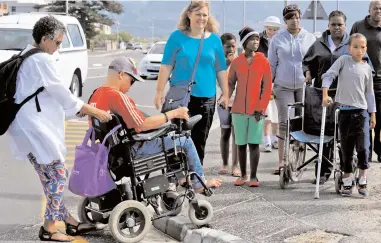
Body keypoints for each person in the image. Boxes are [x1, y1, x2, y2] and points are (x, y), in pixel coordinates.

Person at [6, 16, 112, 242]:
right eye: (58, 42)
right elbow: (62, 93)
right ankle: (49, 228)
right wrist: (94, 111)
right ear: (45, 40)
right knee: (58, 174)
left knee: (50, 178)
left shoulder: (28, 55)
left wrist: (80, 109)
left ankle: (70, 223)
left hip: (27, 128)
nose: (59, 47)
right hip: (35, 128)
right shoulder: (41, 60)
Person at [88, 56, 222, 193]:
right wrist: (173, 114)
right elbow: (142, 124)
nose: (130, 86)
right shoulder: (118, 97)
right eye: (132, 81)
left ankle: (179, 179)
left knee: (167, 137)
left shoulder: (95, 95)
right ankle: (199, 184)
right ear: (121, 75)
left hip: (111, 152)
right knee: (184, 140)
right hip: (132, 150)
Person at [154, 0, 229, 165]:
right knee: (176, 140)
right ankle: (174, 179)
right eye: (198, 14)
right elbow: (166, 66)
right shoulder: (176, 37)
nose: (201, 18)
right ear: (188, 15)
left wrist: (226, 94)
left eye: (205, 15)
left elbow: (221, 70)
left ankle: (195, 176)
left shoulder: (214, 40)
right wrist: (159, 92)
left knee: (199, 141)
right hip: (181, 99)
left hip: (206, 98)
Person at [322, 33, 375, 197]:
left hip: (361, 113)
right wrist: (325, 94)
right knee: (346, 148)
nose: (360, 50)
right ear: (349, 48)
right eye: (356, 47)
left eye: (363, 47)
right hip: (344, 112)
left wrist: (373, 114)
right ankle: (347, 178)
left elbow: (370, 93)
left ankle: (363, 178)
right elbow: (329, 75)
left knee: (363, 148)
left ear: (366, 48)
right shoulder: (343, 61)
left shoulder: (367, 68)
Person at [303, 10, 351, 184]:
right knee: (323, 133)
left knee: (341, 134)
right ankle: (322, 172)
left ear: (345, 26)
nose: (336, 27)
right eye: (333, 24)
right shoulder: (319, 43)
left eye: (340, 24)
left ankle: (345, 170)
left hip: (344, 93)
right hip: (321, 93)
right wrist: (308, 73)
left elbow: (363, 61)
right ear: (328, 26)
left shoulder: (351, 44)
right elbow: (307, 61)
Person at [268, 4, 316, 175]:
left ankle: (298, 152)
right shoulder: (277, 39)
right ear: (285, 20)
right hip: (283, 86)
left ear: (300, 18)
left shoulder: (309, 37)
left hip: (303, 86)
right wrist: (268, 87)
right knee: (284, 123)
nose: (294, 20)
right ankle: (281, 161)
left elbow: (313, 61)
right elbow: (271, 65)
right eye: (290, 18)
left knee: (301, 122)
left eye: (296, 17)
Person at [228, 27, 272, 187]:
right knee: (240, 143)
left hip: (257, 111)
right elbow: (230, 83)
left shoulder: (264, 62)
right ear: (245, 42)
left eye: (257, 39)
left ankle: (253, 176)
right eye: (252, 39)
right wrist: (225, 98)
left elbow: (267, 88)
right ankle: (243, 175)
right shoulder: (237, 62)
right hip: (238, 109)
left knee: (253, 143)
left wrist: (261, 107)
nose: (256, 42)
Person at [350, 1, 381, 163]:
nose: (379, 11)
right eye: (375, 8)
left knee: (379, 118)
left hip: (380, 81)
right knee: (364, 118)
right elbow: (348, 47)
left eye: (380, 8)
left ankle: (378, 147)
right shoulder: (358, 26)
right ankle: (365, 153)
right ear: (369, 10)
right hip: (361, 79)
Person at [257, 16, 282, 152]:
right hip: (262, 81)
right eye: (269, 29)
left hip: (278, 80)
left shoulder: (281, 40)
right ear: (265, 28)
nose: (272, 31)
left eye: (275, 29)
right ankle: (266, 140)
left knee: (276, 113)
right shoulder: (258, 40)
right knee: (266, 112)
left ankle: (275, 139)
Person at [217, 33, 239, 177]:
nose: (231, 49)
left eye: (233, 46)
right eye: (228, 46)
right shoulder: (218, 63)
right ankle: (225, 163)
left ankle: (235, 166)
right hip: (224, 103)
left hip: (238, 102)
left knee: (237, 136)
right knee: (225, 133)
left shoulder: (240, 61)